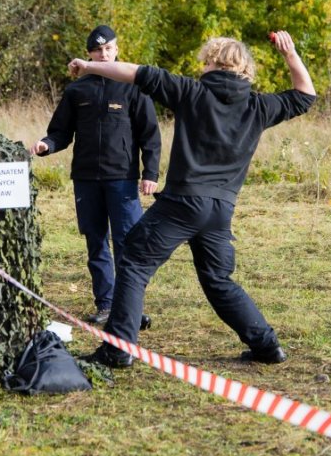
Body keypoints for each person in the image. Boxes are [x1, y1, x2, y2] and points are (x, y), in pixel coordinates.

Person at [80, 31, 316, 368]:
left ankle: (118, 349)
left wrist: (89, 66)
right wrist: (289, 54)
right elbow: (306, 95)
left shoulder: (191, 91)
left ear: (213, 63)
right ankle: (267, 346)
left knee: (133, 260)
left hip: (182, 203)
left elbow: (134, 72)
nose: (202, 66)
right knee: (217, 280)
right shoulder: (258, 106)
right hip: (220, 210)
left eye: (205, 61)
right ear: (244, 69)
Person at [34, 25, 161, 325]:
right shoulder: (77, 90)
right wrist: (46, 145)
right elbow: (60, 132)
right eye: (97, 50)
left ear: (117, 49)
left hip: (123, 179)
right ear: (89, 54)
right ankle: (105, 304)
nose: (103, 55)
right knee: (96, 242)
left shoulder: (133, 87)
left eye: (108, 49)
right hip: (86, 179)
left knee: (128, 242)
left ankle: (129, 307)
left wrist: (150, 172)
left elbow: (150, 134)